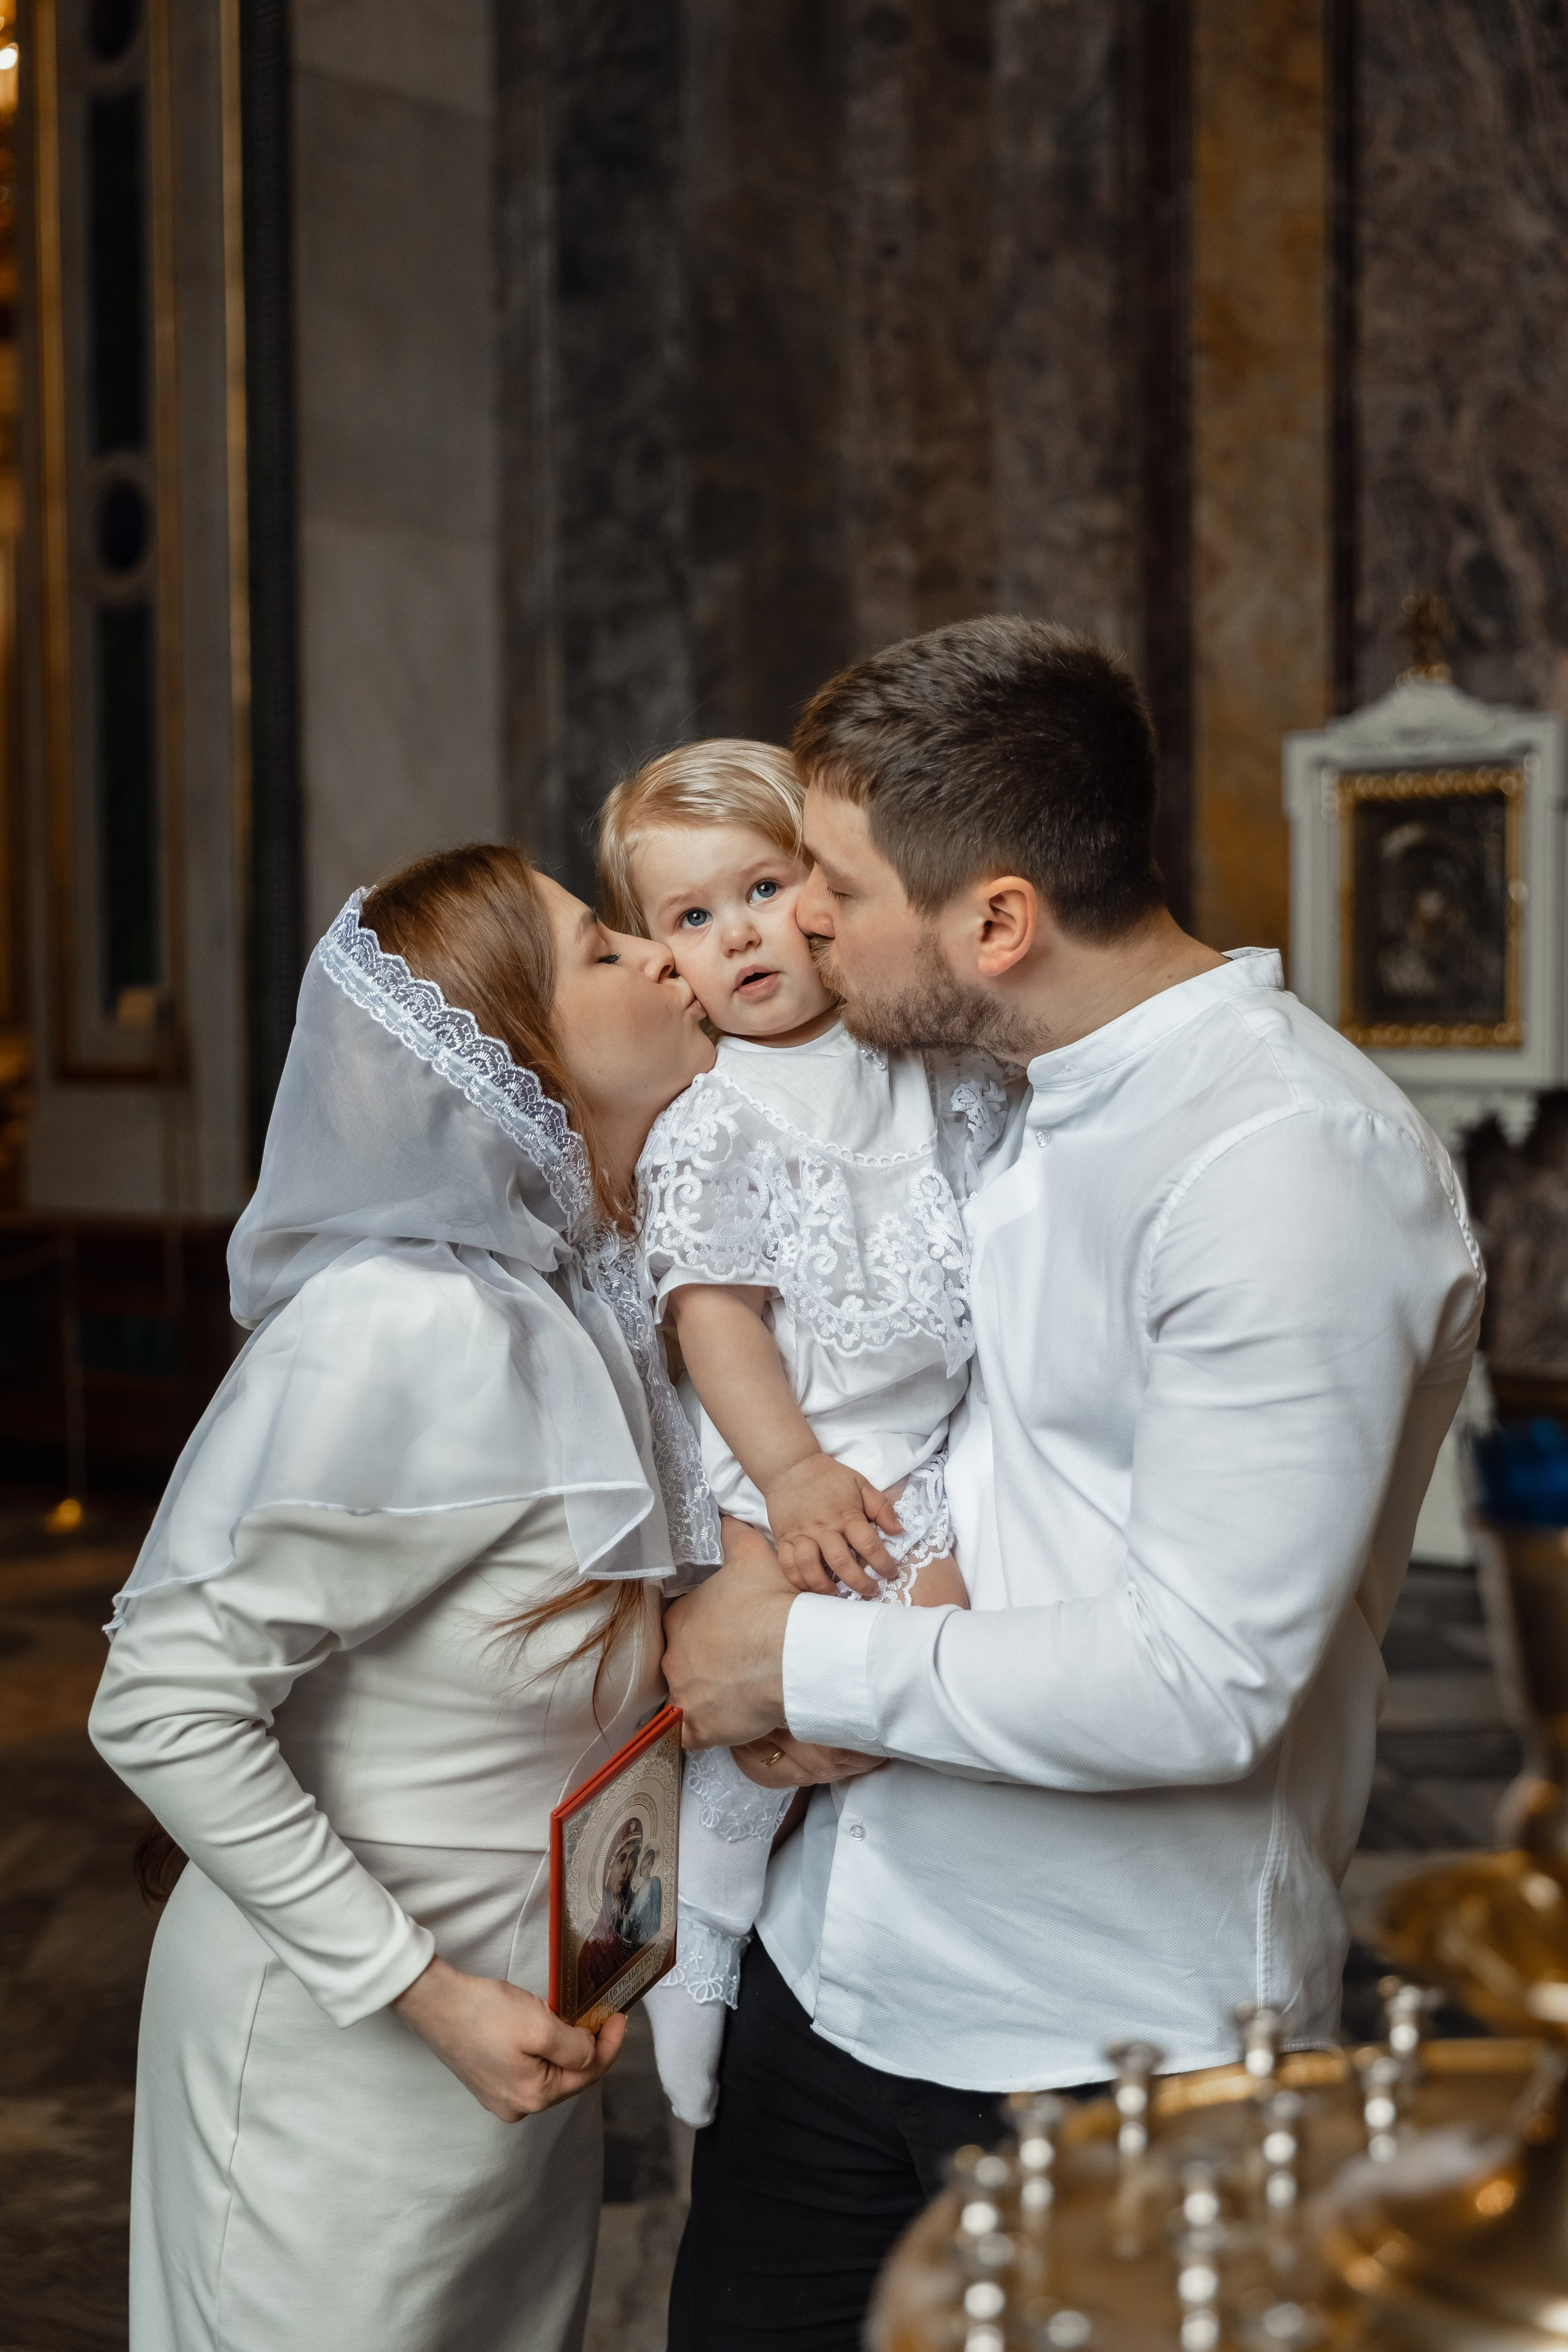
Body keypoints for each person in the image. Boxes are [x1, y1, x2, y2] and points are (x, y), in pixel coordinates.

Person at [661, 619, 1485, 2351]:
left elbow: (1206, 1680)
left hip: (1117, 2050)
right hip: (843, 1970)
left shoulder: (1284, 1166)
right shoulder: (992, 1079)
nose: (797, 916)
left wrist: (786, 1661)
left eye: (831, 880)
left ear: (999, 921)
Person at [88, 843, 721, 2352]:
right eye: (596, 948)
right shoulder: (402, 1326)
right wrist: (427, 1994)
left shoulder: (594, 1304)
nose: (653, 956)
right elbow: (161, 1701)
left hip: (514, 2059)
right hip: (339, 2055)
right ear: (506, 1052)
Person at [595, 739, 1008, 2124]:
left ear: (821, 889)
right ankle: (695, 1947)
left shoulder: (916, 1062)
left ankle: (904, 1940)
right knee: (736, 1761)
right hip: (789, 1448)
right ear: (666, 960)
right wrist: (784, 1472)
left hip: (926, 1449)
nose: (738, 935)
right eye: (689, 919)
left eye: (761, 887)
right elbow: (711, 1318)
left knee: (930, 1651)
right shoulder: (712, 1120)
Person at [576, 1817, 647, 2008]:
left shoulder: (639, 1915)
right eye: (622, 1858)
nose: (627, 1870)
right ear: (609, 1866)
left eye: (633, 1859)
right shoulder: (592, 1951)